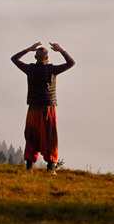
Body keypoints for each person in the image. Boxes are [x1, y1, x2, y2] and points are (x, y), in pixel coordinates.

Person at [11, 41, 75, 172]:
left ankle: (29, 167)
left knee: (31, 136)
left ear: (35, 57)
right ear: (47, 58)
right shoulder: (52, 69)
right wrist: (61, 50)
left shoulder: (30, 69)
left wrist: (28, 49)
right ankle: (50, 167)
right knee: (50, 137)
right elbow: (71, 63)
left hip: (33, 108)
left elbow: (14, 59)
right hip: (48, 108)